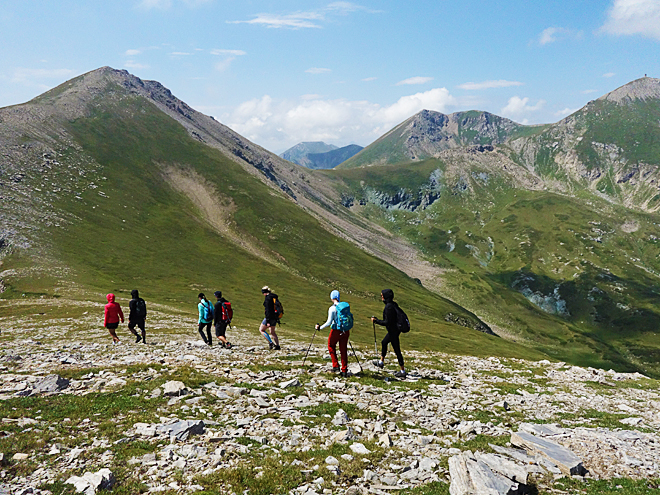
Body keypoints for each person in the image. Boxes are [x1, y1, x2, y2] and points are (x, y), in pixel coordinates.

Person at [371, 288, 406, 378]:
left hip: (393, 331)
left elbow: (387, 322)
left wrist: (376, 321)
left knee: (396, 349)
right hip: (395, 330)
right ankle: (381, 362)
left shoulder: (389, 307)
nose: (381, 297)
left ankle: (402, 371)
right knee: (385, 343)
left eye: (382, 295)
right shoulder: (393, 305)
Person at [315, 290, 350, 377]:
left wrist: (320, 327)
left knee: (331, 346)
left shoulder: (332, 308)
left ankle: (335, 366)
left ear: (331, 298)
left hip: (336, 330)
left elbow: (329, 322)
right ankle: (344, 370)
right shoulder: (344, 307)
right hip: (345, 330)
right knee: (343, 350)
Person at [259, 286, 280, 350]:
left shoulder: (268, 298)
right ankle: (277, 346)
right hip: (275, 317)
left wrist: (268, 321)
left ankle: (271, 343)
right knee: (272, 332)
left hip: (269, 317)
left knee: (261, 330)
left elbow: (268, 310)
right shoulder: (274, 297)